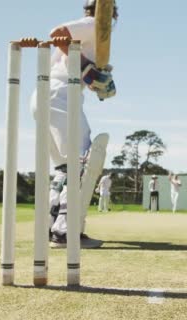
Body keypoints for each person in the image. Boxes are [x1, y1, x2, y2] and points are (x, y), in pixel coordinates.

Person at [31, 0, 119, 249]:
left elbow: (73, 63)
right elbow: (57, 34)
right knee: (82, 162)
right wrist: (86, 70)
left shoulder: (95, 32)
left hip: (44, 96)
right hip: (60, 96)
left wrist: (93, 79)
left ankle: (51, 226)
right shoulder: (94, 24)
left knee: (63, 166)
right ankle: (64, 233)